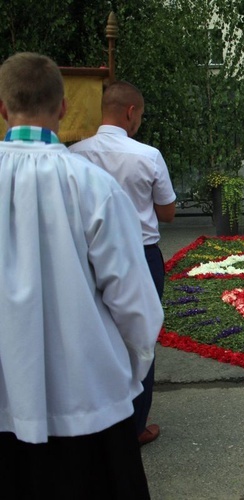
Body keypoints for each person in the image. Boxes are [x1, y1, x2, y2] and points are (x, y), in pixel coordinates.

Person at [0, 52, 162, 497]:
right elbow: (135, 305)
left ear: (2, 107)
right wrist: (128, 374)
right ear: (65, 107)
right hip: (86, 399)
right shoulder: (92, 185)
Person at [70, 80, 176, 446]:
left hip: (88, 254)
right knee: (140, 335)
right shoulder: (146, 155)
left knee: (94, 332)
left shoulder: (75, 154)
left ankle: (98, 420)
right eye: (140, 116)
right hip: (139, 253)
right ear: (131, 113)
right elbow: (167, 212)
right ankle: (135, 425)